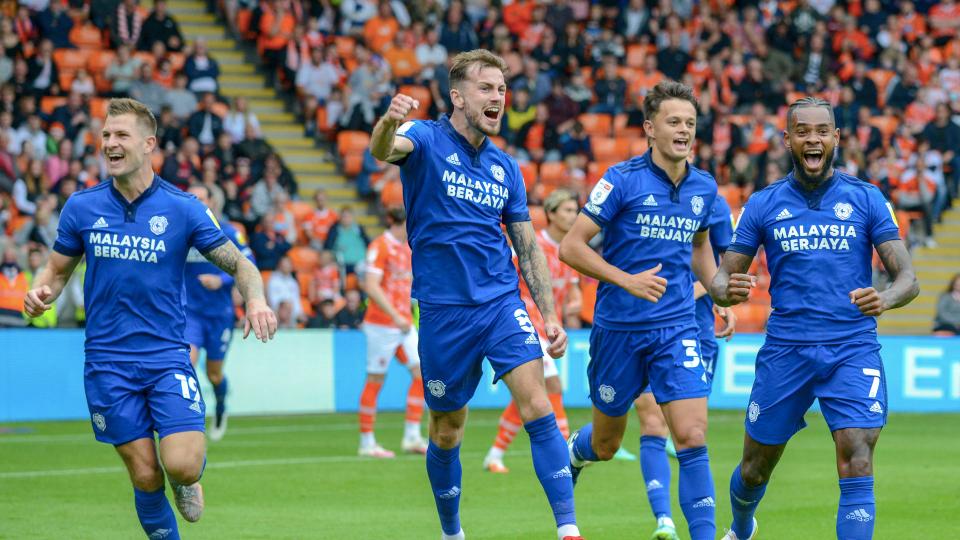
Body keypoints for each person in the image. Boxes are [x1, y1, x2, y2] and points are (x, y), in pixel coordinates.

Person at [22, 98, 278, 540]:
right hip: (106, 361)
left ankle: (189, 476)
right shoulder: (81, 207)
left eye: (120, 135)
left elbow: (241, 264)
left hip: (165, 357)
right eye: (105, 135)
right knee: (144, 475)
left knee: (179, 463)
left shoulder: (184, 209)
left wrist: (255, 300)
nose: (110, 143)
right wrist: (42, 291)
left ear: (148, 143)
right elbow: (57, 269)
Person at [369, 49, 582, 540]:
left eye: (502, 89)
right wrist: (387, 121)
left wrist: (547, 313)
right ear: (458, 96)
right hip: (443, 312)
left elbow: (527, 245)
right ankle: (452, 532)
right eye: (487, 88)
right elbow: (384, 150)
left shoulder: (506, 168)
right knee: (447, 430)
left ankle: (568, 529)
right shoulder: (423, 138)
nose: (498, 97)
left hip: (500, 304)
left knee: (538, 405)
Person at [711, 97, 919, 540]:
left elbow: (909, 279)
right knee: (754, 468)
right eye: (802, 131)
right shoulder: (763, 204)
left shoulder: (866, 198)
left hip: (852, 347)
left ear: (836, 138)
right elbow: (722, 277)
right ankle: (742, 524)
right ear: (787, 140)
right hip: (787, 350)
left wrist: (885, 298)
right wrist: (724, 290)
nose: (813, 139)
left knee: (856, 454)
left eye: (822, 131)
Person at [561, 80, 722, 540]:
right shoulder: (621, 180)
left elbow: (700, 246)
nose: (684, 130)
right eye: (674, 122)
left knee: (691, 436)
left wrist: (718, 289)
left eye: (690, 123)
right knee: (607, 444)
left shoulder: (704, 186)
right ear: (650, 128)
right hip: (618, 331)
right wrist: (626, 279)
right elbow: (571, 248)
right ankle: (577, 451)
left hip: (675, 328)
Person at [632, 192, 737, 540]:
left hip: (697, 332)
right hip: (647, 329)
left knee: (690, 435)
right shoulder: (637, 192)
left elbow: (724, 263)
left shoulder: (711, 201)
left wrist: (719, 299)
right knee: (651, 421)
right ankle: (664, 520)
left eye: (691, 131)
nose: (684, 133)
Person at [482, 188, 580, 474]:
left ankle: (495, 453)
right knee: (552, 386)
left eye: (575, 211)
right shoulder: (533, 247)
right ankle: (564, 451)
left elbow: (571, 289)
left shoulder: (569, 250)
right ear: (550, 214)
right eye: (566, 210)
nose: (572, 216)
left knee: (530, 394)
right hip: (526, 323)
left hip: (550, 326)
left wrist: (573, 303)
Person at [184, 183, 255, 442]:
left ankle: (221, 405)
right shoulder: (181, 232)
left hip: (219, 314)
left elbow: (249, 263)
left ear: (213, 202)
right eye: (192, 198)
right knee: (186, 362)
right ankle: (190, 418)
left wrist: (222, 281)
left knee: (214, 373)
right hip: (189, 313)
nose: (197, 203)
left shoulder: (229, 232)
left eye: (202, 198)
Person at [358, 205, 428, 458]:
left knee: (422, 374)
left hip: (404, 324)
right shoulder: (380, 246)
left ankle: (411, 436)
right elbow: (371, 285)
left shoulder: (408, 249)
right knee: (376, 379)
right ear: (395, 223)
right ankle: (367, 442)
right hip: (381, 324)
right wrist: (395, 315)